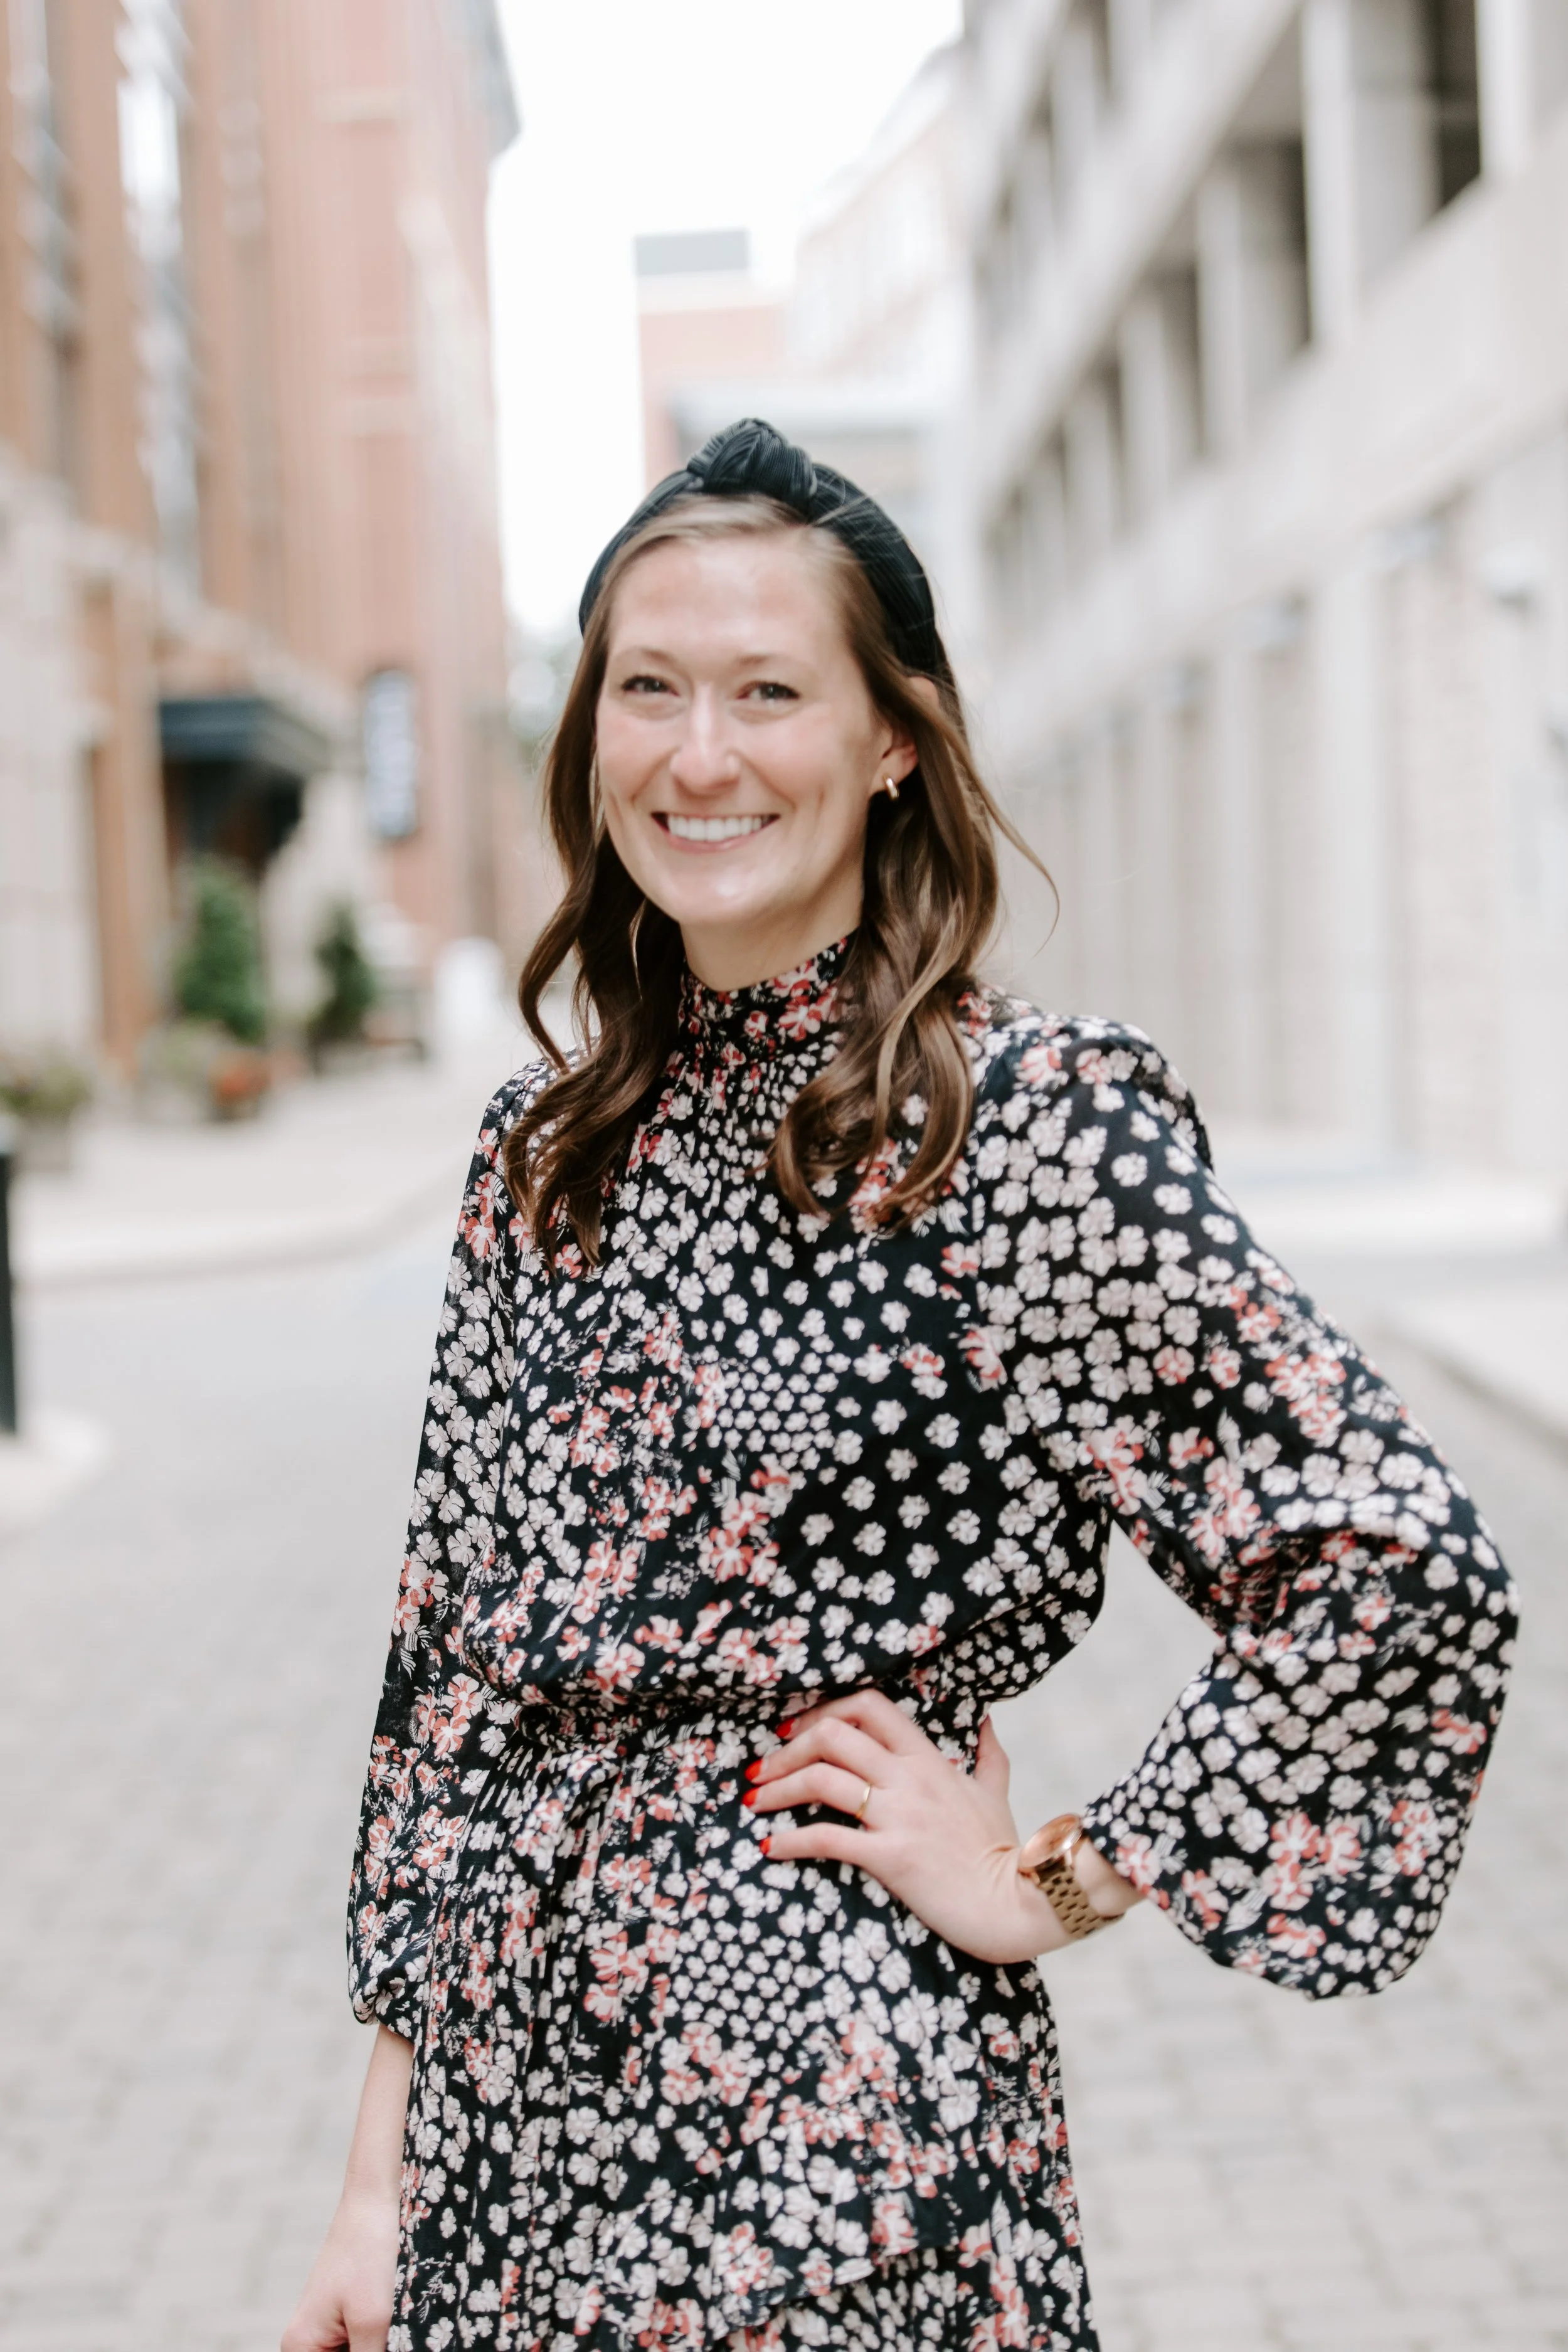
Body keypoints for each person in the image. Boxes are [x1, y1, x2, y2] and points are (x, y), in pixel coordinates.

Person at [283, 420, 1516, 2352]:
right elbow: (456, 1683)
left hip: (825, 2128)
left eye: (769, 690)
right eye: (650, 689)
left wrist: (1049, 1880)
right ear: (587, 731)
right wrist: (375, 2185)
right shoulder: (547, 1147)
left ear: (890, 742)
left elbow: (1390, 1562)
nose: (700, 754)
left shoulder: (1015, 1123)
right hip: (507, 2134)